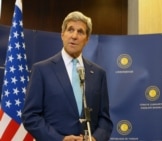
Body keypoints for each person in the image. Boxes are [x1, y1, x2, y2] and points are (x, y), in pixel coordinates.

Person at [22, 11, 113, 141]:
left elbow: (105, 119)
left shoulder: (98, 74)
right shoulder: (42, 70)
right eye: (70, 30)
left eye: (80, 32)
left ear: (87, 39)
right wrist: (60, 139)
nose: (74, 36)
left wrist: (95, 138)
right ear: (62, 34)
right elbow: (30, 116)